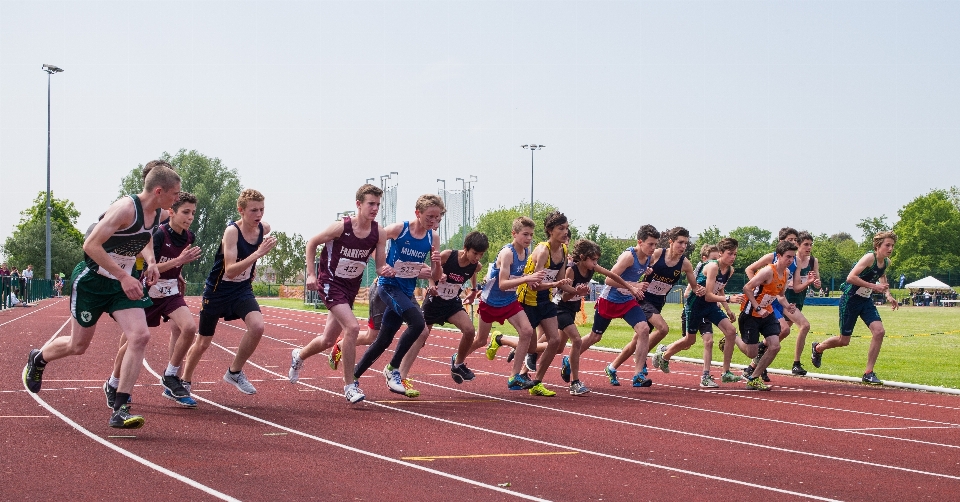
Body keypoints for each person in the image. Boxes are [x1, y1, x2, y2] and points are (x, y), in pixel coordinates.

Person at [22, 163, 181, 429]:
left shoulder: (158, 214)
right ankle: (38, 358)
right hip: (93, 282)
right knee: (78, 346)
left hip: (121, 286)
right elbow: (90, 245)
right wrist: (123, 276)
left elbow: (144, 239)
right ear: (158, 191)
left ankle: (120, 407)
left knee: (140, 336)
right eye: (174, 193)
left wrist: (151, 261)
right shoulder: (125, 209)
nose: (177, 199)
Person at [288, 184, 389, 403]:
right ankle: (349, 386)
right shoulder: (341, 227)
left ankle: (299, 355)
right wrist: (311, 275)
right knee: (352, 328)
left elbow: (380, 266)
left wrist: (390, 270)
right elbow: (312, 242)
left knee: (327, 340)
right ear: (358, 204)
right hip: (330, 282)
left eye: (378, 205)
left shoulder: (378, 232)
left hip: (350, 288)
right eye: (371, 203)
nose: (375, 208)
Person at [104, 192, 203, 409]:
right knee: (132, 341)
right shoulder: (158, 235)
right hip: (148, 292)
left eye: (193, 213)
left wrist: (178, 273)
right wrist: (179, 261)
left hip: (170, 292)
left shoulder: (188, 236)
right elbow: (153, 268)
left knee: (189, 328)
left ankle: (170, 375)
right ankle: (113, 383)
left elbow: (175, 262)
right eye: (185, 212)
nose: (190, 217)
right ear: (171, 212)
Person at [180, 189, 277, 395]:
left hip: (242, 290)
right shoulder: (232, 232)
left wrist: (254, 265)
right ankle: (185, 381)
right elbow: (231, 271)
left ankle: (234, 371)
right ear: (240, 211)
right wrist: (258, 254)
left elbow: (266, 229)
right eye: (253, 210)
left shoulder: (263, 228)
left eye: (261, 210)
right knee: (204, 341)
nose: (258, 215)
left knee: (257, 327)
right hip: (218, 290)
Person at [352, 194, 443, 396]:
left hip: (406, 290)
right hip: (388, 286)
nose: (434, 222)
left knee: (383, 340)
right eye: (430, 217)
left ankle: (353, 376)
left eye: (438, 218)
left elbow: (436, 276)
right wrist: (383, 265)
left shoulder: (432, 238)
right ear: (417, 213)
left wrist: (436, 263)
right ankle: (392, 369)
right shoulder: (398, 229)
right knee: (418, 324)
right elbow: (374, 244)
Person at [461, 217, 545, 390]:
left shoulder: (526, 253)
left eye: (531, 235)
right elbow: (502, 283)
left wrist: (532, 282)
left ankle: (514, 377)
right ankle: (458, 358)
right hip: (490, 301)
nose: (529, 239)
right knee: (481, 340)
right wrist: (527, 278)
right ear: (514, 234)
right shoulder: (508, 253)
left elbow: (517, 280)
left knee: (527, 331)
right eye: (525, 234)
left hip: (509, 301)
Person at [606, 227, 702, 375]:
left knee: (636, 341)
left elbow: (694, 287)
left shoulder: (685, 264)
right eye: (680, 242)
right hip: (643, 299)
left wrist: (700, 290)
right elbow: (637, 265)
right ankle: (645, 359)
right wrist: (640, 276)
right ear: (670, 242)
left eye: (686, 243)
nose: (683, 247)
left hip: (658, 303)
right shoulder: (657, 254)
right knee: (663, 329)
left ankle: (612, 367)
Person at [400, 231, 487, 395]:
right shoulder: (448, 255)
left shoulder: (476, 265)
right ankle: (400, 374)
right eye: (475, 253)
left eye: (481, 255)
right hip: (434, 302)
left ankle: (458, 364)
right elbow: (433, 270)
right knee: (420, 338)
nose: (477, 258)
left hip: (451, 304)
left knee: (469, 330)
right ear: (466, 248)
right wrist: (432, 284)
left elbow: (474, 271)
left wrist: (474, 290)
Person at [811, 231, 900, 385]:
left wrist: (888, 295)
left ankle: (868, 372)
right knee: (844, 341)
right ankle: (818, 348)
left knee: (879, 332)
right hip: (850, 300)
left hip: (866, 301)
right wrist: (873, 286)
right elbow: (850, 278)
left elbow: (882, 276)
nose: (890, 248)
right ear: (878, 245)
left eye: (892, 245)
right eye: (887, 245)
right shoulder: (869, 258)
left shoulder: (886, 262)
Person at [583, 225, 659, 388]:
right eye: (650, 244)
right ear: (640, 241)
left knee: (644, 329)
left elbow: (638, 272)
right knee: (595, 337)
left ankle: (638, 375)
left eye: (655, 245)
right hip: (610, 300)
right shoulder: (628, 256)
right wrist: (634, 285)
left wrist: (645, 272)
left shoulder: (647, 258)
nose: (653, 248)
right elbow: (608, 280)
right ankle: (571, 357)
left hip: (627, 301)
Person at [743, 227, 809, 382]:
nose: (793, 242)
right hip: (767, 300)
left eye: (795, 240)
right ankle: (759, 361)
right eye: (790, 239)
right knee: (784, 329)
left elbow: (797, 286)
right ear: (781, 241)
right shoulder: (771, 257)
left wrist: (810, 282)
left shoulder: (795, 261)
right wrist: (760, 287)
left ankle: (759, 360)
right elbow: (749, 269)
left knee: (797, 327)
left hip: (781, 299)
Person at [680, 239, 744, 387]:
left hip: (711, 306)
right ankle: (665, 352)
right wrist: (730, 299)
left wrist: (727, 309)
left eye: (735, 254)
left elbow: (719, 289)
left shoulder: (730, 270)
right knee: (689, 341)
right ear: (721, 254)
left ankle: (724, 372)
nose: (733, 257)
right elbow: (707, 294)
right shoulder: (712, 267)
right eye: (730, 254)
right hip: (696, 305)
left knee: (730, 331)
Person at [738, 240, 799, 391]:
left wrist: (787, 306)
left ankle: (753, 378)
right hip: (751, 313)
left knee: (775, 346)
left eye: (793, 257)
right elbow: (747, 288)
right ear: (778, 256)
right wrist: (758, 308)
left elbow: (781, 295)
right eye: (788, 257)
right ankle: (731, 337)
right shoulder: (767, 271)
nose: (791, 260)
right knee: (750, 352)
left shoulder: (787, 273)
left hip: (768, 313)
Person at [783, 231, 820, 375]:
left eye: (811, 244)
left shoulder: (812, 261)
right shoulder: (792, 260)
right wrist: (808, 282)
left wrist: (816, 283)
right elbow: (796, 286)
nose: (809, 247)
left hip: (799, 299)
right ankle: (796, 363)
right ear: (798, 244)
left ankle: (757, 360)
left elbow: (817, 282)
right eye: (806, 244)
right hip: (787, 298)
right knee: (805, 326)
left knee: (781, 333)